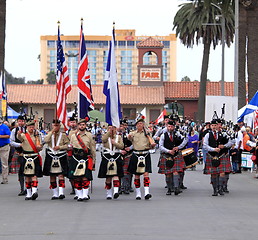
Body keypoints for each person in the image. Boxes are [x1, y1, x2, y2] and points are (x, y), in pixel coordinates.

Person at [127, 118, 156, 200]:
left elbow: (152, 143)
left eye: (141, 123)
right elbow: (128, 138)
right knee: (136, 175)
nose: (140, 125)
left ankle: (147, 192)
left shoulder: (147, 133)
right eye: (138, 124)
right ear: (136, 125)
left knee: (146, 174)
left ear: (143, 125)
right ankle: (138, 193)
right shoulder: (133, 133)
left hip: (145, 154)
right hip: (136, 154)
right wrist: (128, 137)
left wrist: (153, 145)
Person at [68, 119, 96, 201]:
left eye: (83, 125)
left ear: (85, 126)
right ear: (78, 126)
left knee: (85, 177)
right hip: (76, 157)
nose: (82, 126)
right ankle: (79, 195)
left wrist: (94, 159)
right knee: (77, 178)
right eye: (80, 125)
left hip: (86, 157)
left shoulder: (89, 135)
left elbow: (92, 147)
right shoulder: (73, 136)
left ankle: (85, 195)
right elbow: (70, 146)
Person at [203, 119, 232, 196]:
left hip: (222, 155)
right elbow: (205, 145)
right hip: (212, 155)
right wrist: (213, 149)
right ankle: (215, 190)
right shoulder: (208, 135)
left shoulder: (223, 134)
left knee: (222, 173)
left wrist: (224, 146)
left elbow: (230, 142)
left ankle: (220, 188)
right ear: (210, 126)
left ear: (218, 126)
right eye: (212, 125)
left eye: (215, 125)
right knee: (213, 174)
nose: (214, 127)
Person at [158, 120, 188, 195]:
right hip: (166, 155)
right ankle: (169, 189)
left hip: (176, 155)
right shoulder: (163, 135)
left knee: (176, 171)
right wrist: (168, 151)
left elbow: (185, 139)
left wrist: (179, 147)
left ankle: (176, 188)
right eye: (169, 126)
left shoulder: (177, 134)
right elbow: (160, 146)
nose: (170, 128)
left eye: (171, 126)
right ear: (166, 126)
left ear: (174, 127)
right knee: (168, 173)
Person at [43, 119, 69, 200]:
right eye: (54, 125)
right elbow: (46, 140)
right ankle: (55, 193)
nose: (56, 127)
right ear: (52, 125)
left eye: (57, 125)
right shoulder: (49, 134)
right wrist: (51, 132)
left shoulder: (63, 135)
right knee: (52, 175)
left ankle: (61, 193)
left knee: (61, 175)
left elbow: (68, 145)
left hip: (61, 155)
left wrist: (60, 147)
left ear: (60, 125)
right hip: (51, 155)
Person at [17, 120, 43, 200]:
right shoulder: (24, 135)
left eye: (32, 127)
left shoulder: (37, 136)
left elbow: (40, 146)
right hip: (26, 156)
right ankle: (28, 193)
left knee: (34, 175)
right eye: (30, 127)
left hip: (34, 156)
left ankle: (34, 191)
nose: (31, 128)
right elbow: (19, 138)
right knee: (27, 176)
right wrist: (18, 134)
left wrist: (39, 147)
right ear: (27, 128)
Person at [98, 125, 124, 199]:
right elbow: (103, 140)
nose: (111, 129)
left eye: (113, 128)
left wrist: (115, 143)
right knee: (108, 176)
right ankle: (109, 193)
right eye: (109, 128)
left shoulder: (118, 137)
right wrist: (109, 133)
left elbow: (122, 146)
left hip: (116, 155)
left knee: (116, 174)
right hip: (107, 156)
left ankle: (116, 191)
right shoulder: (105, 136)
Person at [10, 115, 27, 194]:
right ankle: (22, 188)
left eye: (22, 121)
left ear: (24, 122)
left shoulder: (28, 129)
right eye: (19, 121)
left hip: (28, 153)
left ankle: (29, 187)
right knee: (21, 171)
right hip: (19, 153)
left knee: (30, 171)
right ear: (17, 122)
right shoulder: (14, 130)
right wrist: (19, 145)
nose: (21, 123)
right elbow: (11, 141)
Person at [118, 121, 133, 194]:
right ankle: (118, 187)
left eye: (124, 126)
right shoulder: (114, 135)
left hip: (128, 154)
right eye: (121, 126)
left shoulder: (129, 134)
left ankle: (126, 187)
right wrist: (119, 150)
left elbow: (134, 143)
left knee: (127, 172)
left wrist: (130, 148)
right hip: (118, 154)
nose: (122, 127)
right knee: (118, 171)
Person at [0, 118, 11, 184]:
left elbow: (8, 135)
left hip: (4, 147)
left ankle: (5, 179)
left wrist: (0, 136)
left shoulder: (4, 127)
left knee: (4, 163)